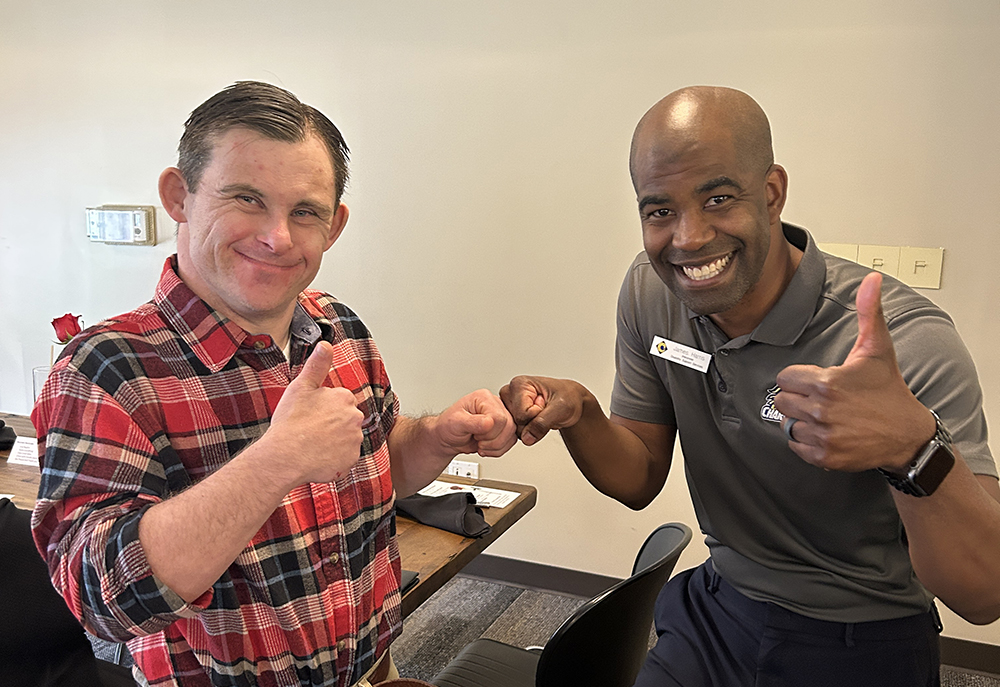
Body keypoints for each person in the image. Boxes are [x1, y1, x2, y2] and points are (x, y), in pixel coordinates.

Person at [501, 86, 1000, 686]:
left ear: (771, 194)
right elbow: (638, 480)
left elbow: (983, 594)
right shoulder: (651, 293)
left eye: (717, 198)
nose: (687, 239)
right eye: (659, 210)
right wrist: (582, 413)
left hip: (863, 635)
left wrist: (913, 450)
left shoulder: (906, 342)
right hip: (717, 609)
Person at [31, 81, 517, 687]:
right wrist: (273, 463)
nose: (278, 237)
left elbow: (375, 467)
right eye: (247, 199)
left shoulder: (337, 326)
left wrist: (438, 437)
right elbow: (98, 600)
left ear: (335, 225)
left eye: (305, 211)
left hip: (371, 670)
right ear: (179, 197)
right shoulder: (105, 370)